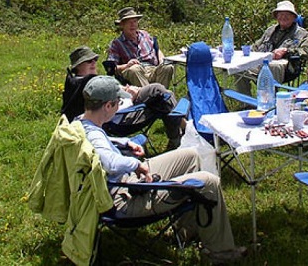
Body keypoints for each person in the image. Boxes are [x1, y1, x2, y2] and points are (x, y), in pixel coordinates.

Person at [78, 75, 246, 264]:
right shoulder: (94, 136)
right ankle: (221, 253)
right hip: (124, 198)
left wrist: (123, 142)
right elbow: (108, 161)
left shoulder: (81, 123)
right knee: (209, 182)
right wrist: (136, 164)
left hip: (123, 182)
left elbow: (102, 145)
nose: (119, 106)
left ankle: (186, 230)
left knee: (191, 155)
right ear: (107, 106)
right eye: (117, 102)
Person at [64, 46, 184, 149]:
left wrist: (125, 89)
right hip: (120, 118)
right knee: (162, 98)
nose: (94, 63)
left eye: (95, 60)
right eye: (89, 61)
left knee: (160, 92)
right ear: (78, 66)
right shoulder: (90, 83)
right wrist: (130, 97)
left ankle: (181, 131)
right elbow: (112, 105)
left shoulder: (74, 82)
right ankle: (182, 132)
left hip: (118, 109)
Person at [237, 0, 308, 93]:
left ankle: (271, 103)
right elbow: (256, 46)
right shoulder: (270, 30)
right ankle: (246, 103)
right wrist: (241, 52)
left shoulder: (302, 34)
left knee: (273, 67)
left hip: (287, 68)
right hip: (262, 63)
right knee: (238, 69)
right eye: (280, 14)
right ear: (276, 16)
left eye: (287, 14)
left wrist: (287, 51)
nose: (283, 17)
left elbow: (306, 52)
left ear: (294, 17)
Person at [106, 7, 175, 88]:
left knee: (167, 67)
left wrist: (162, 60)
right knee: (134, 69)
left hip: (152, 69)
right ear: (122, 25)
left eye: (135, 21)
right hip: (134, 71)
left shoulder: (145, 34)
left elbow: (156, 49)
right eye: (129, 22)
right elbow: (110, 68)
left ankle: (160, 95)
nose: (133, 25)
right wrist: (126, 65)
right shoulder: (117, 44)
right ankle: (149, 97)